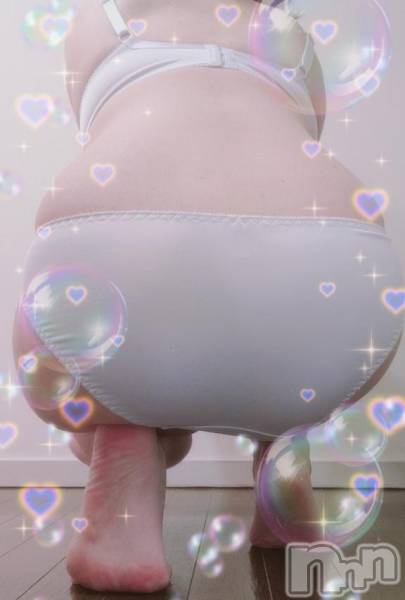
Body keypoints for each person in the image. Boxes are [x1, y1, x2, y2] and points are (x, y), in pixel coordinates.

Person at [12, 0, 404, 593]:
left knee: (101, 373)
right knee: (283, 325)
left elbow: (100, 134)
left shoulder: (103, 18)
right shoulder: (288, 33)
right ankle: (286, 461)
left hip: (114, 263)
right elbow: (295, 138)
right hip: (335, 280)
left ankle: (124, 450)